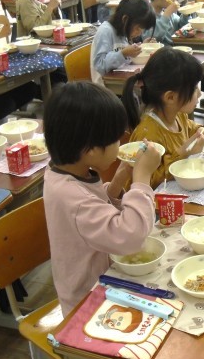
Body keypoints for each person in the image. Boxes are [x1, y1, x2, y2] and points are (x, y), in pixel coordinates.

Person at [43, 81, 161, 317]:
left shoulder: (65, 173)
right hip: (89, 303)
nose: (120, 144)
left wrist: (118, 182)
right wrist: (142, 178)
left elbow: (94, 208)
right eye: (115, 140)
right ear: (90, 150)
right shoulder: (72, 197)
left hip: (104, 280)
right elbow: (130, 236)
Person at [122, 47, 204, 189]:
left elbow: (191, 129)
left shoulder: (177, 115)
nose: (199, 94)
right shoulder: (148, 134)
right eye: (194, 88)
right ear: (170, 97)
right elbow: (147, 183)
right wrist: (183, 154)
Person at [90, 0, 156, 85]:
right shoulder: (106, 31)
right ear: (125, 19)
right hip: (106, 87)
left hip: (121, 82)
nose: (139, 33)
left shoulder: (123, 31)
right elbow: (100, 65)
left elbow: (126, 58)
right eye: (138, 29)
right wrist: (123, 53)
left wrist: (142, 47)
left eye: (142, 30)